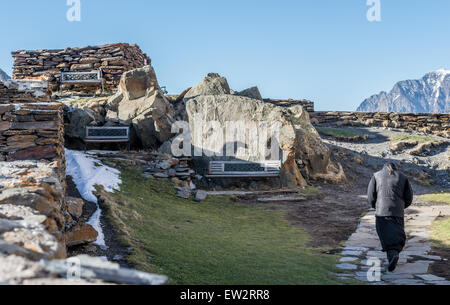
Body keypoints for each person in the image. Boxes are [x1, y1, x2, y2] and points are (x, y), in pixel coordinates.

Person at [367, 162, 413, 272]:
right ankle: (393, 256)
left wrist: (374, 205)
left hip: (382, 211)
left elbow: (371, 195)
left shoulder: (376, 176)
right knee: (396, 235)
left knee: (385, 235)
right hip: (397, 212)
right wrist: (401, 206)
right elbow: (409, 197)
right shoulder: (403, 177)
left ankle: (392, 256)